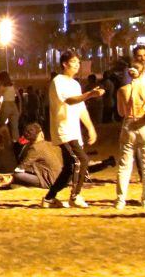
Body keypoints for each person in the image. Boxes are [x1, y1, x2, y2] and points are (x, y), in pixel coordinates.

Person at [42, 51, 103, 209]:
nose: (77, 65)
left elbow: (81, 107)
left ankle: (49, 198)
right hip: (64, 130)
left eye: (78, 62)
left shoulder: (75, 84)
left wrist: (90, 128)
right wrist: (90, 94)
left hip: (74, 130)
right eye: (74, 62)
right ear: (64, 64)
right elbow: (69, 101)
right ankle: (75, 196)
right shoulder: (58, 81)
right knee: (81, 160)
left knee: (69, 169)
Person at [115, 61, 145, 210]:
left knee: (124, 166)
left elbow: (121, 112)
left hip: (128, 125)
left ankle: (120, 200)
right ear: (143, 71)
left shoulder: (122, 90)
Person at [0, 71, 20, 141]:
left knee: (1, 124)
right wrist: (20, 108)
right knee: (15, 127)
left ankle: (2, 141)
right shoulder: (12, 86)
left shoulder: (2, 87)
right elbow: (18, 96)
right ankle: (16, 142)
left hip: (6, 105)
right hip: (13, 105)